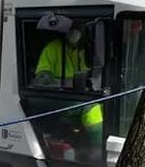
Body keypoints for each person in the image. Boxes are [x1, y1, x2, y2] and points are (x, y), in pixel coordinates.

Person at [33, 26, 103, 155]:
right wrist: (65, 84)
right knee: (92, 110)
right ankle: (98, 154)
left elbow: (92, 74)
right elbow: (42, 79)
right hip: (54, 96)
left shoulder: (83, 51)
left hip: (77, 95)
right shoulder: (54, 48)